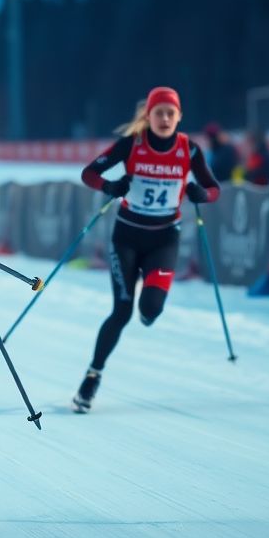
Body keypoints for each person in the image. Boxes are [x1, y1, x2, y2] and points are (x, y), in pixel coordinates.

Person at [73, 86, 220, 413]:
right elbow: (89, 173)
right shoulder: (132, 145)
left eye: (171, 113)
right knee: (121, 312)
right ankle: (92, 376)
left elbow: (214, 189)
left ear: (179, 117)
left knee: (151, 310)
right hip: (126, 238)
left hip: (164, 240)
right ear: (149, 116)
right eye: (159, 113)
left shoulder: (189, 150)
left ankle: (148, 308)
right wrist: (110, 186)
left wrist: (202, 194)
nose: (165, 118)